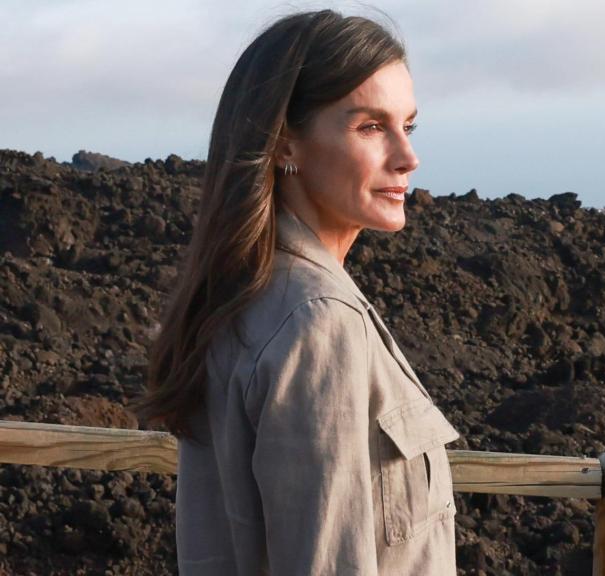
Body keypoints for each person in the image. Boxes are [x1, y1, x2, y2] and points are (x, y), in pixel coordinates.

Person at [133, 10, 460, 575]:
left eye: (409, 126)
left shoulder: (243, 292)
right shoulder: (319, 321)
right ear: (286, 146)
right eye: (371, 127)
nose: (408, 158)